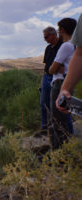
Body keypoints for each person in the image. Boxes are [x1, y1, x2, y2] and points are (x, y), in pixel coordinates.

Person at [48, 18, 77, 149]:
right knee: (65, 117)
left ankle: (58, 153)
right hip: (70, 83)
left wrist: (56, 67)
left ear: (62, 30)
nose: (59, 32)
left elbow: (51, 69)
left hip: (60, 84)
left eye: (59, 29)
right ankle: (67, 149)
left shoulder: (66, 45)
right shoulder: (76, 45)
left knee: (57, 119)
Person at [56, 14, 82, 113]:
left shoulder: (66, 46)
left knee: (61, 116)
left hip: (60, 79)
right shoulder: (73, 45)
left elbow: (53, 68)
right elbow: (79, 55)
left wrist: (64, 89)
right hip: (66, 78)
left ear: (62, 30)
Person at [40, 27, 62, 131]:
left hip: (57, 78)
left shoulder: (62, 46)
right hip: (46, 77)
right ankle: (44, 127)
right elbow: (45, 67)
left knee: (55, 104)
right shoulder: (48, 48)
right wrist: (42, 82)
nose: (45, 39)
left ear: (53, 34)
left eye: (46, 37)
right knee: (43, 102)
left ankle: (56, 127)